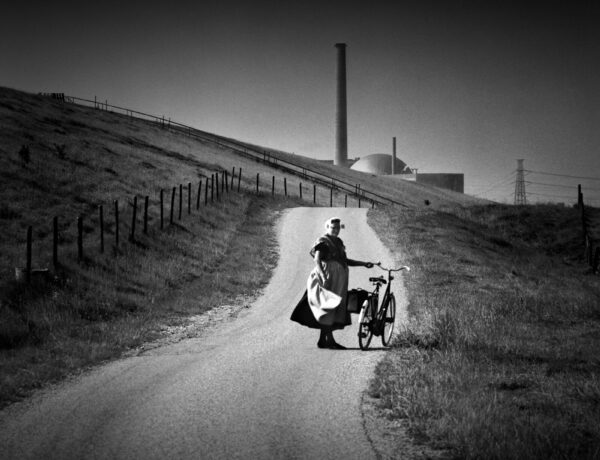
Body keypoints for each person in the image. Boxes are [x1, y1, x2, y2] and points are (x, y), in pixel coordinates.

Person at [290, 217, 375, 349]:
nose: (336, 230)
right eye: (333, 227)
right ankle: (329, 340)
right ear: (327, 227)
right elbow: (317, 260)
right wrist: (323, 276)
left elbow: (345, 260)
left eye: (338, 227)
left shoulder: (339, 242)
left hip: (339, 281)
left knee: (334, 309)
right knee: (328, 308)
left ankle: (323, 340)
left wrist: (364, 264)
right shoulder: (323, 241)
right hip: (327, 279)